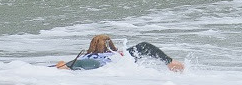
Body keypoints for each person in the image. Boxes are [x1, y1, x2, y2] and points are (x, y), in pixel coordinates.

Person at [54, 33, 185, 72]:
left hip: (103, 64)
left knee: (78, 64)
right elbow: (144, 47)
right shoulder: (120, 54)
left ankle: (170, 63)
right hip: (108, 63)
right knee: (143, 47)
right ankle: (170, 62)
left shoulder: (87, 55)